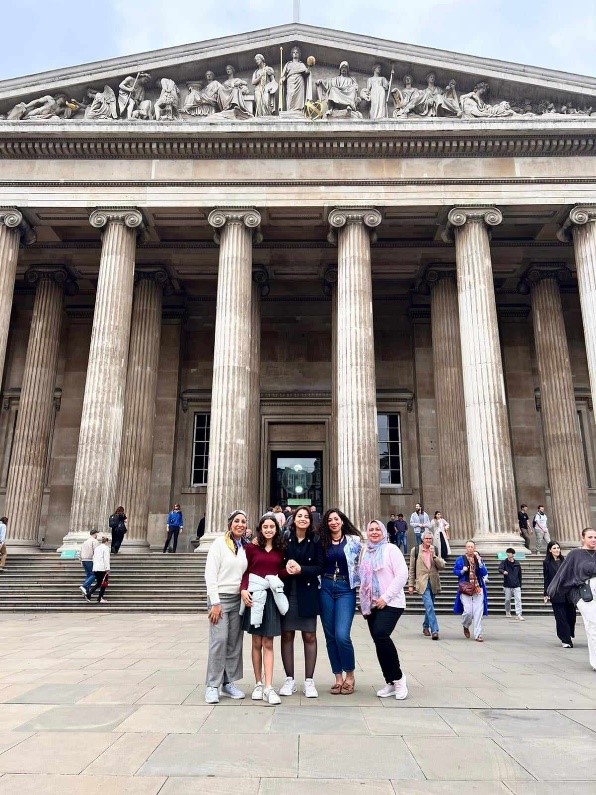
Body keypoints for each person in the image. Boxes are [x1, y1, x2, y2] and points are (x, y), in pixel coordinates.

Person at [240, 513, 289, 705]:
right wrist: (243, 590)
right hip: (254, 596)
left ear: (277, 529)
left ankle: (269, 686)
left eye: (272, 526)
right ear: (260, 529)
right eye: (265, 526)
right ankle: (258, 683)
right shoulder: (251, 548)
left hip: (271, 598)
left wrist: (289, 570)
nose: (269, 529)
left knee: (268, 642)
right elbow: (244, 571)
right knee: (256, 643)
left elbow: (280, 572)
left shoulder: (281, 549)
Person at [204, 509, 249, 704]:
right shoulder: (219, 544)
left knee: (234, 642)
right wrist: (215, 602)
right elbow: (210, 574)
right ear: (230, 524)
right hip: (220, 599)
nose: (240, 524)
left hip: (237, 599)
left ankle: (228, 682)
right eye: (237, 521)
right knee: (219, 641)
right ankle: (212, 685)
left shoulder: (245, 547)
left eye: (243, 522)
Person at [360, 520, 409, 700]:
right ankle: (389, 681)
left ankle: (398, 678)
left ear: (383, 531)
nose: (374, 532)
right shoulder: (365, 550)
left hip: (392, 603)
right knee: (379, 642)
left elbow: (402, 574)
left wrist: (385, 598)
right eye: (371, 529)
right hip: (371, 604)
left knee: (381, 635)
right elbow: (362, 576)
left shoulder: (391, 550)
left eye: (377, 529)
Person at [279, 505, 324, 698]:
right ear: (293, 519)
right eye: (300, 516)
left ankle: (309, 681)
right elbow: (276, 562)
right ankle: (289, 680)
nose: (303, 519)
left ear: (310, 521)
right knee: (287, 635)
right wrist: (286, 568)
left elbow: (320, 567)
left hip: (308, 593)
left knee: (310, 636)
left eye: (306, 516)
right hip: (288, 593)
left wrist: (301, 569)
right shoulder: (285, 540)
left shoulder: (315, 541)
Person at [319, 508, 362, 694]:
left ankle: (350, 675)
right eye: (329, 520)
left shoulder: (355, 541)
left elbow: (366, 562)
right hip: (326, 587)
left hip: (346, 589)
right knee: (330, 636)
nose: (333, 522)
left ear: (342, 521)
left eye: (336, 519)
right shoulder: (321, 541)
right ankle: (338, 677)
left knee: (342, 635)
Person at [547, 527, 596, 669]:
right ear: (583, 538)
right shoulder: (575, 554)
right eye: (590, 537)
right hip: (585, 592)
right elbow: (563, 573)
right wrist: (551, 590)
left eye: (595, 537)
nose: (593, 540)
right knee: (592, 624)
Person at [408, 530, 445, 640]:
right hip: (422, 582)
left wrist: (434, 557)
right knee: (429, 606)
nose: (428, 540)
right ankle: (435, 630)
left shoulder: (435, 550)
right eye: (426, 538)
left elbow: (442, 566)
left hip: (433, 581)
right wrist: (410, 584)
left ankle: (425, 626)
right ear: (422, 539)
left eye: (430, 538)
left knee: (430, 607)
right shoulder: (415, 550)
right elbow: (412, 569)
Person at [453, 540, 488, 642]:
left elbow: (484, 573)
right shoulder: (460, 559)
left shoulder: (478, 559)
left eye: (472, 547)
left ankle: (478, 634)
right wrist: (462, 571)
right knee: (468, 611)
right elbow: (455, 571)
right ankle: (465, 625)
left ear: (474, 548)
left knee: (478, 613)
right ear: (466, 548)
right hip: (466, 588)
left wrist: (480, 563)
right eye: (468, 547)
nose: (470, 549)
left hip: (478, 588)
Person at [543, 541, 576, 648]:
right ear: (549, 550)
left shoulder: (565, 561)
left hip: (568, 593)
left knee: (571, 616)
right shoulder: (547, 563)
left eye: (558, 548)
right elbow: (546, 579)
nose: (557, 550)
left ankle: (568, 634)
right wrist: (546, 593)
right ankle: (565, 639)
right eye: (554, 548)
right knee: (561, 617)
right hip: (556, 593)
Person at [280, 47, 311, 112]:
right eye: (294, 52)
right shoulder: (288, 64)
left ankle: (298, 110)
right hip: (290, 81)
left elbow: (306, 72)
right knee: (290, 94)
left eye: (297, 52)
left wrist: (309, 66)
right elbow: (284, 75)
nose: (295, 54)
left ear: (299, 54)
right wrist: (282, 79)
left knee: (299, 97)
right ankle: (289, 110)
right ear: (292, 54)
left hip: (299, 81)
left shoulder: (301, 64)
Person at [498, 547, 524, 620]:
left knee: (518, 599)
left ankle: (519, 614)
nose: (508, 554)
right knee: (507, 600)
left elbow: (520, 575)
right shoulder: (504, 562)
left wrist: (520, 584)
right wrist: (503, 572)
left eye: (509, 553)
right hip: (507, 584)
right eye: (507, 552)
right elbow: (499, 569)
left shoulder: (517, 563)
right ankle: (508, 611)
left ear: (512, 554)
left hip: (516, 584)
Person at [87, 535, 110, 604]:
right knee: (104, 583)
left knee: (99, 583)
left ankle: (89, 594)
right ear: (107, 542)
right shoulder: (106, 548)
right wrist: (107, 568)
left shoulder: (97, 548)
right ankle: (100, 598)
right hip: (102, 568)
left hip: (96, 568)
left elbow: (94, 558)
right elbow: (106, 558)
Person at [79, 528, 100, 597]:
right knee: (94, 574)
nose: (97, 535)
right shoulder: (94, 541)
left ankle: (86, 590)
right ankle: (85, 586)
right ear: (95, 534)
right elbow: (96, 552)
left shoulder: (85, 542)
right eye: (97, 534)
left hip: (84, 560)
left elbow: (80, 551)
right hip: (90, 560)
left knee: (88, 575)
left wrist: (80, 560)